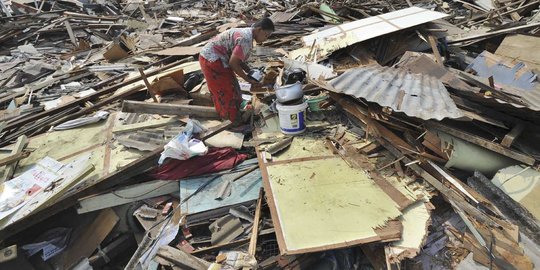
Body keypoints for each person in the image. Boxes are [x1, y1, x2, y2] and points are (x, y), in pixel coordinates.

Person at [199, 17, 275, 125]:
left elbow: (239, 59)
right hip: (212, 60)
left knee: (234, 86)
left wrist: (250, 72)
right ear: (259, 30)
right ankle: (231, 121)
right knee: (225, 91)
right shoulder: (245, 39)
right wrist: (248, 79)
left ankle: (237, 113)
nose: (266, 39)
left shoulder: (247, 34)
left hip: (218, 58)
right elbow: (233, 63)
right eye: (266, 35)